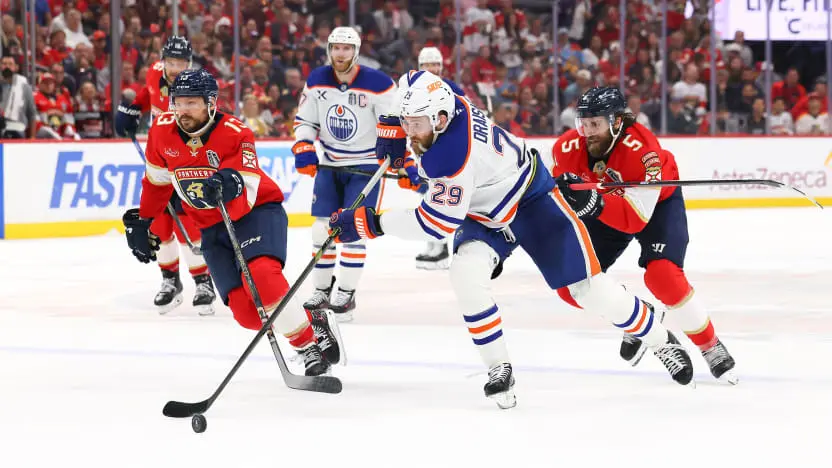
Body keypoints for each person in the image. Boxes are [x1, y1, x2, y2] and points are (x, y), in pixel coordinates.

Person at [329, 72, 695, 409]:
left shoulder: (451, 156)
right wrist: (391, 128)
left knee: (590, 291)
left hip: (532, 200)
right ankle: (498, 368)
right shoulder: (447, 99)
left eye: (416, 124)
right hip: (486, 210)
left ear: (440, 120)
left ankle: (659, 338)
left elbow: (434, 224)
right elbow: (410, 80)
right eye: (409, 122)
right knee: (465, 276)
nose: (411, 131)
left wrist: (368, 223)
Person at [122, 68, 342, 376]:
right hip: (212, 228)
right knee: (248, 314)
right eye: (178, 102)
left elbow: (247, 187)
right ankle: (308, 318)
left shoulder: (236, 132)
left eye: (191, 103)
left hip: (255, 214)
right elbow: (158, 183)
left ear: (210, 103)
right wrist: (145, 220)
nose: (182, 110)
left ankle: (306, 347)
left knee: (263, 277)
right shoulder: (161, 131)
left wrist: (229, 183)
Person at [549, 87, 737, 384]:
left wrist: (593, 204)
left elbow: (634, 220)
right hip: (607, 205)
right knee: (571, 283)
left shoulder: (644, 152)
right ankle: (638, 312)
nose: (587, 132)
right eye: (582, 124)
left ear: (617, 122)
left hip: (656, 206)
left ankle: (709, 345)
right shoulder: (566, 149)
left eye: (595, 124)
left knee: (662, 276)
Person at [293, 26, 397, 321]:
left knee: (353, 229)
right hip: (330, 162)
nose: (341, 53)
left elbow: (393, 125)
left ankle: (346, 295)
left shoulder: (378, 84)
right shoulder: (316, 80)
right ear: (329, 50)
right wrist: (303, 144)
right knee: (319, 229)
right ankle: (322, 289)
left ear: (356, 50)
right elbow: (306, 120)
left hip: (365, 167)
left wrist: (400, 156)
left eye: (346, 48)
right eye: (336, 48)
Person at [115, 36, 217, 316]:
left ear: (190, 62)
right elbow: (148, 94)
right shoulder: (153, 73)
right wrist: (133, 107)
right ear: (163, 60)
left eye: (181, 62)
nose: (175, 68)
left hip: (188, 159)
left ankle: (203, 282)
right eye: (171, 62)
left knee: (189, 225)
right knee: (159, 225)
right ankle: (170, 281)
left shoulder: (197, 85)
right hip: (159, 155)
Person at [400, 46, 465, 271]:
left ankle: (441, 248)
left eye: (434, 64)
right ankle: (435, 245)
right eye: (426, 65)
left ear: (441, 66)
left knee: (440, 200)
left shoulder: (452, 89)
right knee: (429, 199)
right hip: (425, 151)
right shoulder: (410, 92)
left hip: (445, 153)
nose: (431, 69)